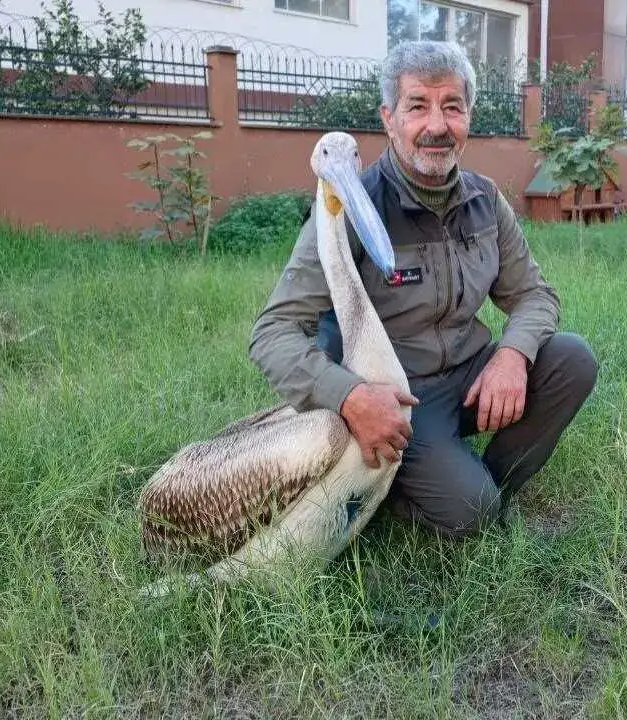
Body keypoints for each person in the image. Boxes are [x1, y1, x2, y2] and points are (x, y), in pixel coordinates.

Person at [248, 40, 598, 539]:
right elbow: (274, 332)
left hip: (469, 375)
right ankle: (435, 496)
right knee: (469, 510)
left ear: (468, 117)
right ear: (389, 118)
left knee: (572, 360)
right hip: (398, 398)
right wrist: (349, 398)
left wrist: (513, 356)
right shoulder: (351, 205)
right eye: (418, 106)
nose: (437, 125)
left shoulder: (485, 200)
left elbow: (534, 296)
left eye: (451, 106)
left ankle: (481, 492)